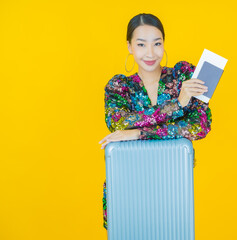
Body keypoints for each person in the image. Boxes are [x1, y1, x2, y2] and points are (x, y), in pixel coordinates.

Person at [98, 13, 212, 231]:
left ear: (163, 44)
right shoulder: (118, 87)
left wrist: (137, 134)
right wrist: (177, 105)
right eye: (141, 44)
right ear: (130, 47)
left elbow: (200, 125)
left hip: (172, 183)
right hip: (126, 184)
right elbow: (119, 123)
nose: (150, 53)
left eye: (157, 43)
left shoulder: (183, 76)